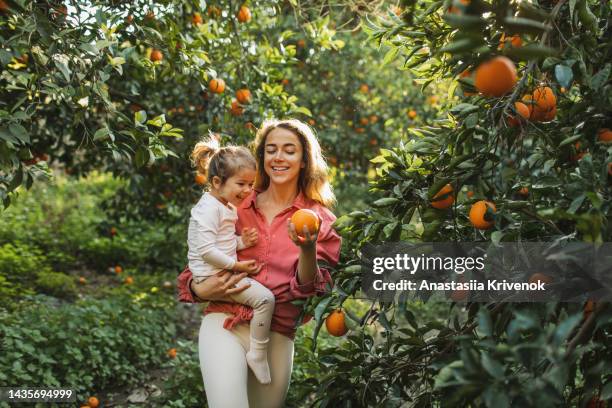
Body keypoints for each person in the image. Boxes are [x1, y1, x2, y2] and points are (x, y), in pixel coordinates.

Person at [177, 119, 341, 408]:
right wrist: (200, 288)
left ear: (304, 160)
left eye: (289, 150)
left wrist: (307, 247)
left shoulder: (319, 219)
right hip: (226, 321)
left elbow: (313, 290)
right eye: (271, 149)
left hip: (277, 332)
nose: (278, 157)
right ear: (262, 156)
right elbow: (199, 260)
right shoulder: (236, 202)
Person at [188, 133, 275, 384]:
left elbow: (219, 244)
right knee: (265, 300)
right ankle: (257, 354)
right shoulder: (207, 210)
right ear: (217, 181)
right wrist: (236, 264)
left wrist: (241, 243)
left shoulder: (224, 205)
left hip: (220, 271)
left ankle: (253, 350)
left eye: (251, 184)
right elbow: (206, 250)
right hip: (214, 275)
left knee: (263, 299)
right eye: (242, 184)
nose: (248, 190)